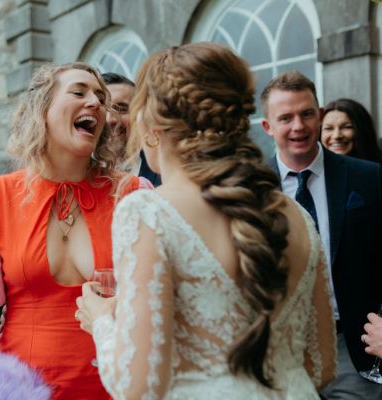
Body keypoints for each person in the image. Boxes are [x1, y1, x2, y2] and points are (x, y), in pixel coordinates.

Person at [76, 43, 336, 399]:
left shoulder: (149, 213)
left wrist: (102, 320)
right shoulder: (300, 217)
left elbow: (137, 387)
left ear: (152, 124)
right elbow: (321, 367)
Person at [0, 62, 151, 399]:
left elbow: (153, 301)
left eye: (101, 98)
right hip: (20, 388)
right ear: (42, 107)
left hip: (114, 387)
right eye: (79, 92)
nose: (96, 104)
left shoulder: (134, 194)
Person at [261, 71, 382, 399]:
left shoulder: (369, 178)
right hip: (279, 353)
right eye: (285, 118)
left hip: (355, 350)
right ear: (268, 127)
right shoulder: (250, 189)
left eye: (306, 114)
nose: (298, 126)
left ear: (321, 116)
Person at [101, 72, 162, 186]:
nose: (110, 120)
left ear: (140, 115)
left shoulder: (162, 169)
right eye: (103, 109)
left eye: (121, 108)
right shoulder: (75, 175)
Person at [321, 98, 382, 164]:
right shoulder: (315, 171)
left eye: (346, 127)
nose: (337, 136)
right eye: (328, 128)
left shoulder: (376, 171)